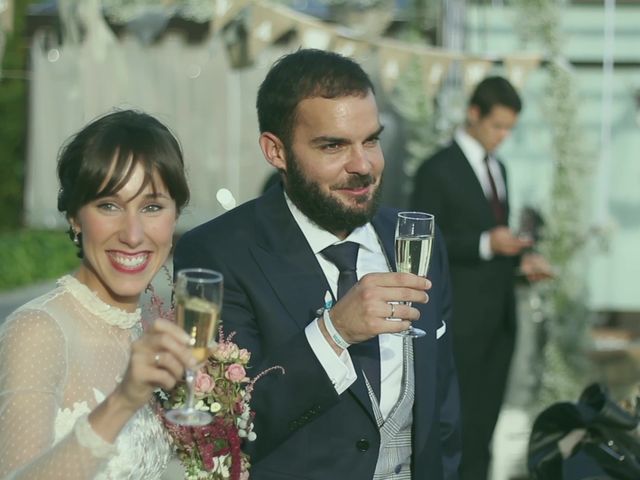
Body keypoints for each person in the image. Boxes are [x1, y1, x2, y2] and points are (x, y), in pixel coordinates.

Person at [174, 49, 461, 479]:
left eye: (371, 140)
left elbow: (443, 407)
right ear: (276, 151)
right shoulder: (218, 253)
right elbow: (228, 428)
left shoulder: (417, 238)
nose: (363, 166)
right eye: (333, 146)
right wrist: (334, 333)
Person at [0, 110, 196, 479]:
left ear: (175, 216)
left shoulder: (154, 332)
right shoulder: (37, 331)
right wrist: (122, 401)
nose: (133, 234)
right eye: (109, 205)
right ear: (75, 216)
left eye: (152, 207)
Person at [410, 76, 552, 480]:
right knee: (456, 427)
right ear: (474, 114)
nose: (504, 136)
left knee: (485, 428)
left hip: (500, 322)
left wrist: (520, 263)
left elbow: (494, 242)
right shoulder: (436, 170)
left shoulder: (499, 168)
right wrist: (488, 243)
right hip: (459, 325)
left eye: (510, 128)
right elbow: (428, 242)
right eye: (498, 126)